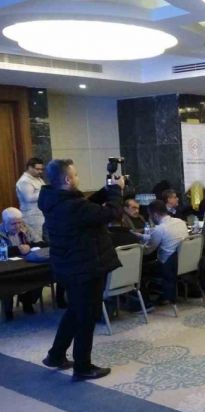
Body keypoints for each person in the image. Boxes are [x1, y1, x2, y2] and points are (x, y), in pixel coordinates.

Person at [39, 159, 124, 380]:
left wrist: (105, 191)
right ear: (68, 179)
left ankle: (56, 355)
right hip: (85, 267)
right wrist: (116, 191)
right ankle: (83, 367)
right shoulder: (73, 207)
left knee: (75, 311)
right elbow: (112, 214)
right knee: (87, 316)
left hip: (70, 265)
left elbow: (87, 206)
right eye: (75, 175)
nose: (78, 178)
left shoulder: (54, 199)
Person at [0, 207, 46, 319]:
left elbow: (41, 243)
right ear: (4, 222)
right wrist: (18, 249)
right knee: (6, 281)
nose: (18, 226)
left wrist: (29, 246)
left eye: (19, 222)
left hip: (26, 264)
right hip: (6, 267)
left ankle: (27, 301)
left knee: (41, 275)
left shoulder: (25, 228)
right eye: (13, 224)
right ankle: (8, 309)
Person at [142, 200, 189, 305]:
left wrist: (138, 247)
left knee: (142, 269)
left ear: (155, 215)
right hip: (183, 262)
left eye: (150, 215)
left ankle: (145, 302)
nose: (150, 218)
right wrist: (144, 236)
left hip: (167, 265)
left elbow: (148, 250)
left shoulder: (160, 229)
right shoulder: (180, 222)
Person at [15, 157, 45, 238]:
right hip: (32, 217)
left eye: (41, 169)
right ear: (29, 167)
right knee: (38, 240)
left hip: (41, 214)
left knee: (44, 238)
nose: (40, 171)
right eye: (37, 169)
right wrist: (45, 192)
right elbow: (29, 198)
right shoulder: (24, 181)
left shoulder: (38, 179)